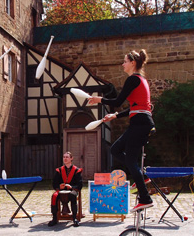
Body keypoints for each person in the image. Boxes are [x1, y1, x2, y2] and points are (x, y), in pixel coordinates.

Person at [88, 49, 155, 213]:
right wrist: (116, 116)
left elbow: (118, 101)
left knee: (130, 159)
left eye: (125, 61)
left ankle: (145, 199)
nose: (122, 64)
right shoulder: (141, 80)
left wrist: (99, 100)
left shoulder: (133, 79)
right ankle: (142, 176)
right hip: (140, 122)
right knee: (116, 150)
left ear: (132, 63)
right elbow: (135, 108)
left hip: (140, 124)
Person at [49, 152, 83, 227]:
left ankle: (74, 218)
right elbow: (54, 183)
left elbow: (80, 184)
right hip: (61, 191)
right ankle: (54, 218)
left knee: (72, 195)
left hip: (72, 190)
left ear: (71, 158)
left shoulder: (76, 170)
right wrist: (59, 186)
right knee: (54, 196)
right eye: (64, 157)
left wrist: (71, 187)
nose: (65, 158)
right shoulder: (59, 170)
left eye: (67, 157)